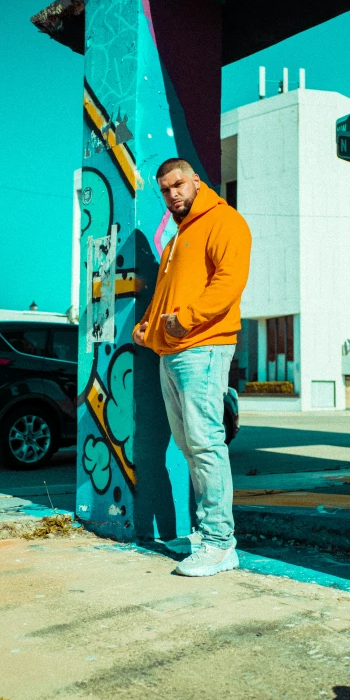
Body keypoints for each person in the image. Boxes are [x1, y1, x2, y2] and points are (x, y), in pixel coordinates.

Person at [132, 158, 252, 577]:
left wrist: (185, 319)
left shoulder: (224, 221)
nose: (172, 195)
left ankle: (221, 544)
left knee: (205, 445)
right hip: (171, 354)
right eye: (165, 190)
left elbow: (230, 281)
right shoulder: (179, 237)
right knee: (190, 447)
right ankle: (208, 534)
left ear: (196, 181)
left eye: (178, 185)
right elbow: (168, 293)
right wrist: (148, 325)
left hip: (204, 347)